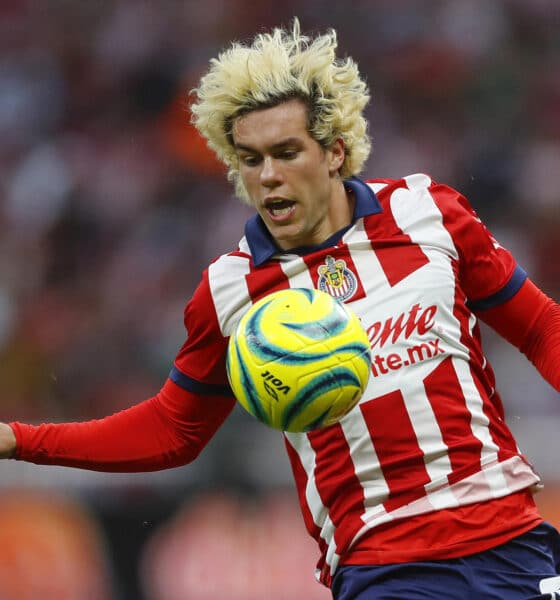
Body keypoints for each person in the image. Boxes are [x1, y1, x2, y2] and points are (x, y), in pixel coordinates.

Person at [1, 19, 559, 600]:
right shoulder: (231, 288)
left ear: (335, 151)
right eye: (250, 158)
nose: (267, 176)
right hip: (387, 567)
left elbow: (542, 328)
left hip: (512, 541)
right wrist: (22, 440)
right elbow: (173, 430)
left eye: (286, 152)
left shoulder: (428, 213)